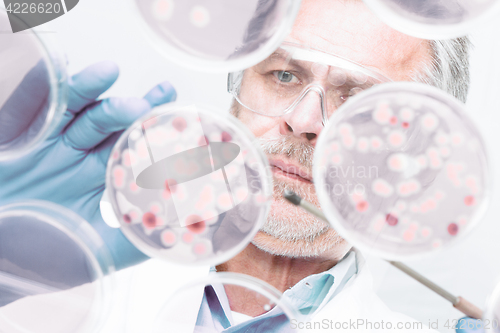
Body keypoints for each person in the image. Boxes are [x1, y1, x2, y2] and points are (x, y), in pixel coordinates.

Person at [0, 0, 476, 332]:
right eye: (283, 75)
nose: (303, 120)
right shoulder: (57, 282)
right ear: (237, 90)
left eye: (359, 104)